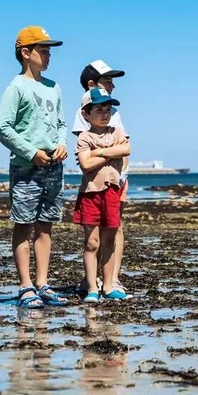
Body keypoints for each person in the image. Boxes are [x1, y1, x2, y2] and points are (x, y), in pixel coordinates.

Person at [0, 26, 69, 308]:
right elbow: (2, 128)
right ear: (26, 53)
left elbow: (61, 124)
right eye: (44, 49)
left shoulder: (54, 87)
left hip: (54, 166)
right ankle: (25, 285)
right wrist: (31, 152)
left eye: (50, 50)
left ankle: (43, 283)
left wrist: (61, 143)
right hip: (27, 167)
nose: (49, 54)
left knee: (46, 225)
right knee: (24, 224)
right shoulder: (16, 88)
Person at [70, 60, 130, 298]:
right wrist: (107, 153)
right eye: (108, 81)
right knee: (94, 238)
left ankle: (111, 280)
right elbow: (86, 157)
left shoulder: (113, 116)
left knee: (115, 229)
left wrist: (104, 154)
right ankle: (92, 282)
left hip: (117, 181)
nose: (112, 85)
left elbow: (124, 147)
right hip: (94, 187)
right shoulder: (84, 116)